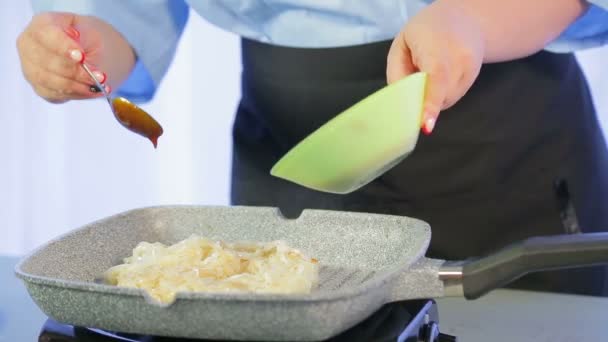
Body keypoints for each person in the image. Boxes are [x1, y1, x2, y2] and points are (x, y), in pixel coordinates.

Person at [17, 0, 608, 296]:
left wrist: (470, 24)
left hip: (502, 131)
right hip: (286, 158)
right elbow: (129, 19)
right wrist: (80, 52)